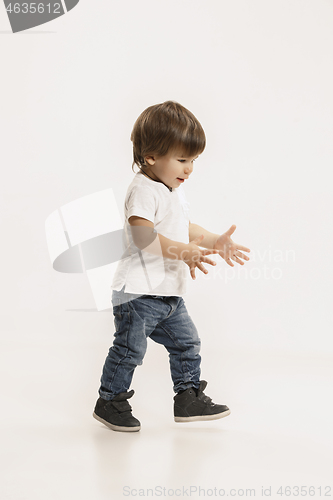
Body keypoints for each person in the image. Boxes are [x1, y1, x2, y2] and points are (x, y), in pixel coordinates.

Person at [93, 100, 250, 432]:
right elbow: (141, 235)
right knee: (130, 349)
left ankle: (188, 397)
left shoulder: (173, 192)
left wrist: (214, 241)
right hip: (137, 293)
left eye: (193, 160)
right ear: (150, 157)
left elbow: (185, 228)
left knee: (187, 343)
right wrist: (182, 252)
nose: (189, 168)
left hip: (167, 295)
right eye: (182, 159)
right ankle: (110, 400)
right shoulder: (143, 190)